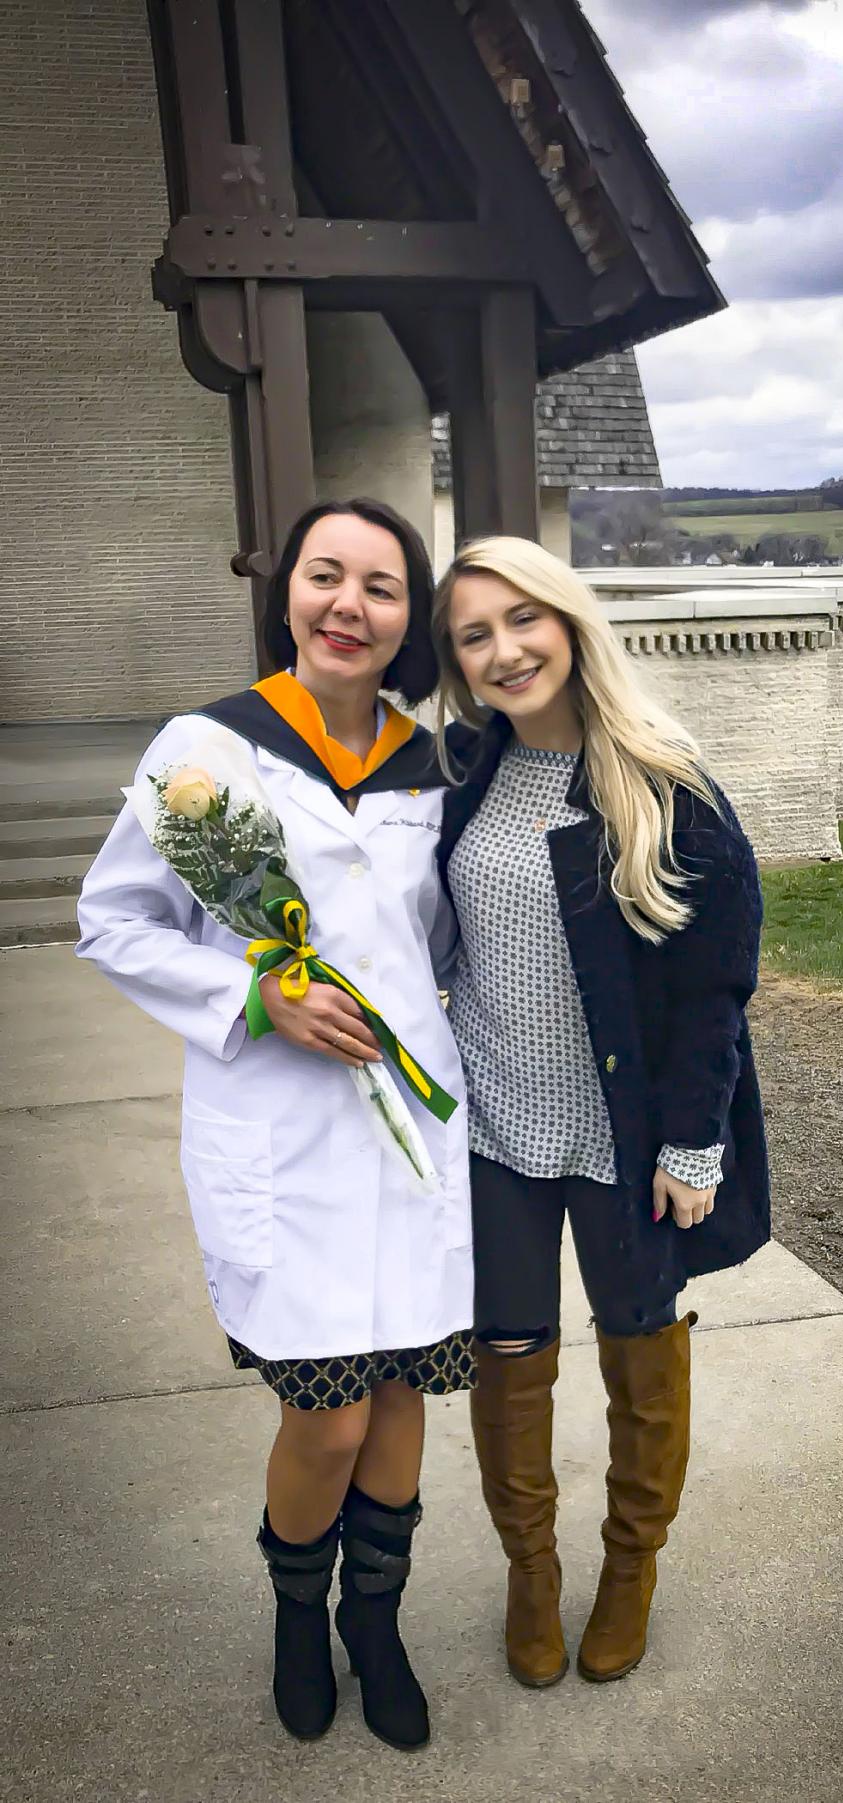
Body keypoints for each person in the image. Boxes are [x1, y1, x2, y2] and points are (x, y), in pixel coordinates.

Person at [77, 500, 473, 1751]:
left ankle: (376, 1623)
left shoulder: (437, 766)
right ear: (289, 593)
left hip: (411, 1137)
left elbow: (444, 950)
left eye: (382, 586)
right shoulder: (210, 753)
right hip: (280, 1134)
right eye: (326, 577)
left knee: (403, 1396)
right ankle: (299, 1617)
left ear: (410, 618)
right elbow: (116, 919)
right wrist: (254, 990)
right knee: (330, 1412)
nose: (349, 605)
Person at [433, 537, 769, 1689]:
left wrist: (693, 1141)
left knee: (638, 1348)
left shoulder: (663, 782)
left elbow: (713, 987)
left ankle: (630, 1568)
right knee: (509, 1354)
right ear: (459, 662)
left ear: (570, 623)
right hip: (493, 1131)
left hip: (622, 1143)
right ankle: (531, 1573)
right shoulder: (465, 768)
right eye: (474, 634)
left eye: (522, 620)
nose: (503, 649)